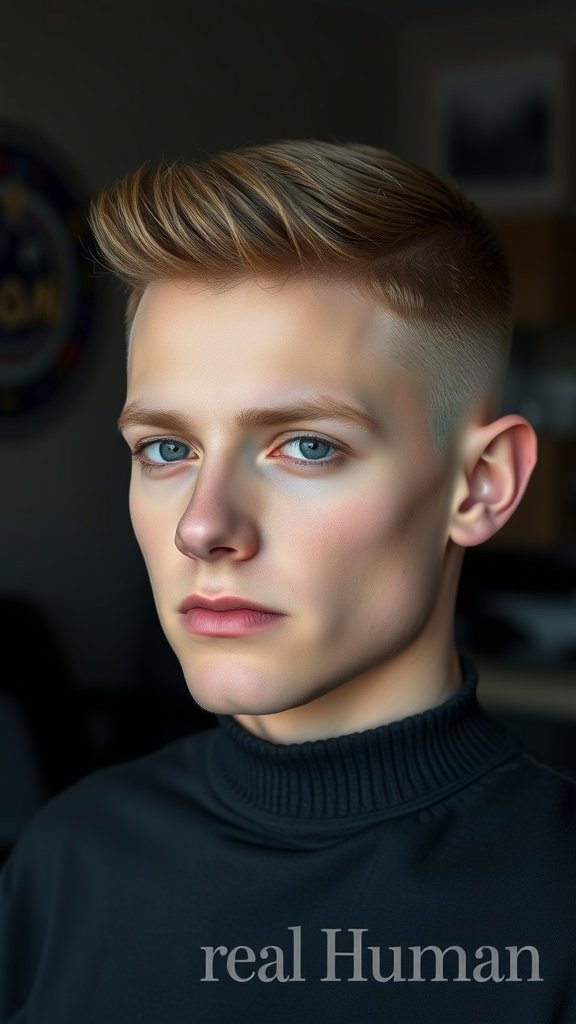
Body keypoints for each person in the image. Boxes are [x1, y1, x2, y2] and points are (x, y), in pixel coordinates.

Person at [1, 138, 575, 1023]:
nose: (202, 525)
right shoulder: (64, 860)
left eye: (307, 446)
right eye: (166, 449)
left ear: (481, 485)